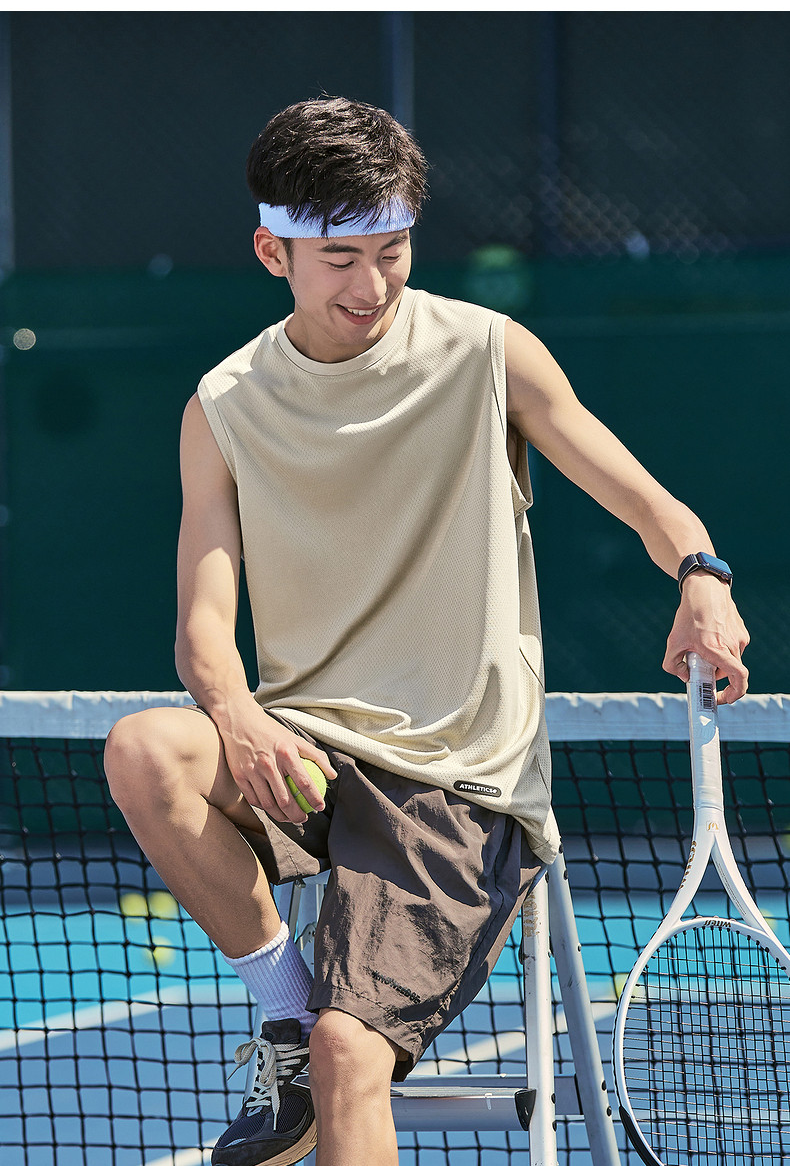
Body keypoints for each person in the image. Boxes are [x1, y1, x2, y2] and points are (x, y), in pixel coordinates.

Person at [103, 96, 749, 1166]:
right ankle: (286, 1013)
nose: (370, 285)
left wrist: (702, 575)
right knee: (144, 749)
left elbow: (646, 500)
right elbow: (202, 627)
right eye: (339, 259)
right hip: (310, 751)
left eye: (391, 252)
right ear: (272, 252)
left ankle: (316, 1048)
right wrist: (241, 716)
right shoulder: (222, 406)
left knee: (352, 1058)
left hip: (456, 780)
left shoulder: (490, 352)